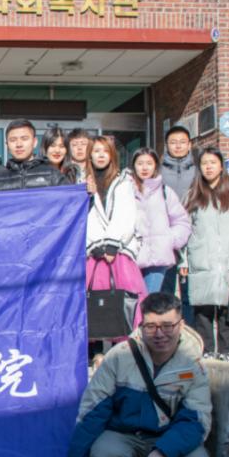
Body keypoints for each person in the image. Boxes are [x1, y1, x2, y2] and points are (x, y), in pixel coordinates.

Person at [68, 293, 212, 457]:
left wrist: (164, 451)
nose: (160, 334)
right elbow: (92, 411)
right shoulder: (119, 357)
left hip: (167, 436)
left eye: (168, 325)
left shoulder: (193, 365)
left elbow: (197, 421)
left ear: (181, 325)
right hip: (125, 435)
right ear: (141, 325)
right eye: (151, 326)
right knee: (104, 453)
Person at [183, 146, 229, 360]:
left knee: (228, 309)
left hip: (228, 257)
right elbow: (184, 226)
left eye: (213, 163)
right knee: (203, 309)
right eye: (204, 163)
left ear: (221, 166)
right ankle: (206, 350)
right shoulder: (193, 193)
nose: (209, 167)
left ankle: (225, 351)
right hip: (201, 258)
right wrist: (184, 258)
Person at [85, 136, 147, 361]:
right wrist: (95, 244)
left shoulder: (123, 182)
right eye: (96, 151)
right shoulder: (86, 182)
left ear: (112, 155)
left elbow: (126, 214)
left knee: (121, 300)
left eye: (105, 151)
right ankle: (98, 351)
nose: (100, 155)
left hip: (118, 253)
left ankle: (122, 352)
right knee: (94, 300)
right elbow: (86, 216)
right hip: (94, 253)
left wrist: (112, 243)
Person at [130, 148, 192, 294]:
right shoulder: (125, 190)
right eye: (140, 163)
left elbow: (181, 221)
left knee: (150, 300)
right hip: (132, 255)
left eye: (149, 163)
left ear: (155, 166)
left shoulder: (165, 191)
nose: (144, 168)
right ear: (134, 166)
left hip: (158, 257)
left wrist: (171, 240)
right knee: (132, 302)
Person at [159, 125, 198, 314]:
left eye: (182, 142)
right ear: (166, 145)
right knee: (165, 288)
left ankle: (190, 327)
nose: (178, 146)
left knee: (190, 291)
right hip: (165, 235)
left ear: (189, 145)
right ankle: (166, 325)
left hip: (193, 236)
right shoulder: (157, 171)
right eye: (173, 142)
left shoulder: (198, 171)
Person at [0, 119, 73, 191]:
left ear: (35, 142)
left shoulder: (52, 175)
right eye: (13, 140)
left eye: (24, 139)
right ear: (7, 145)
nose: (19, 144)